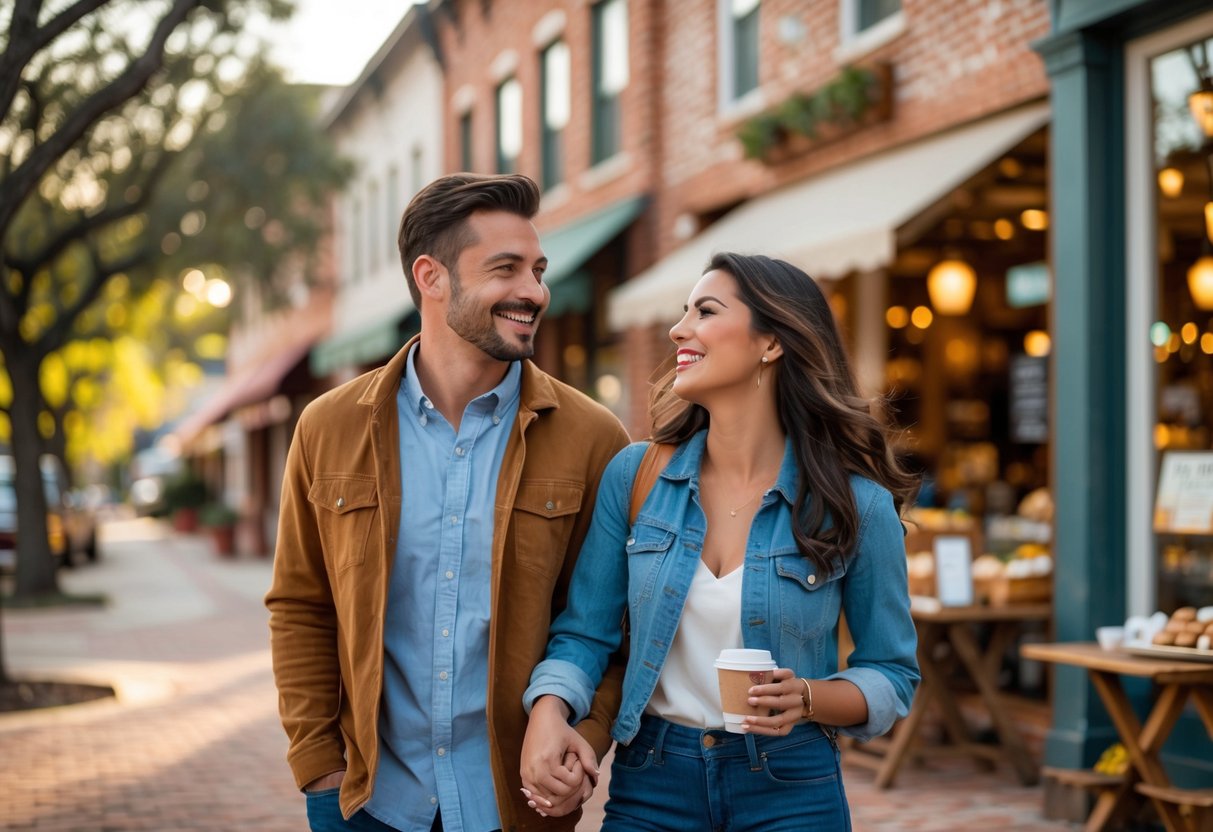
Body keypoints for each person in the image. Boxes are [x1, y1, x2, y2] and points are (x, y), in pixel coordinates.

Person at [266, 173, 630, 832]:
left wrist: (587, 737)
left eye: (538, 270)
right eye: (506, 269)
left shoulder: (593, 438)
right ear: (431, 278)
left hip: (517, 806)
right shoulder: (328, 428)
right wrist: (319, 765)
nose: (534, 291)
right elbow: (300, 604)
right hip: (369, 803)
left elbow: (612, 625)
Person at [519, 252, 920, 829]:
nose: (680, 329)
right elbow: (585, 633)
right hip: (652, 782)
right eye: (684, 312)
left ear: (772, 342)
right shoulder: (634, 478)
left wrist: (807, 697)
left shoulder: (856, 504)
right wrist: (549, 711)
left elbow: (891, 672)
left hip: (793, 788)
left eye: (705, 311)